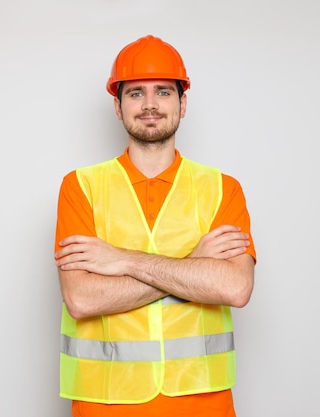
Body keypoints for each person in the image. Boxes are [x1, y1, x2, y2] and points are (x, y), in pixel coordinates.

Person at [53, 34, 257, 417]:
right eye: (135, 94)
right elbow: (81, 299)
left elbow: (235, 287)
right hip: (106, 404)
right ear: (117, 106)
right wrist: (193, 265)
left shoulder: (222, 189)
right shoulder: (80, 187)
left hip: (203, 403)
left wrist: (123, 261)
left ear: (183, 102)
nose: (149, 105)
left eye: (163, 92)